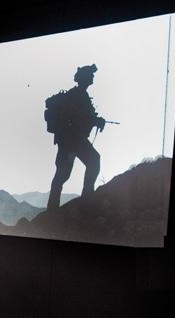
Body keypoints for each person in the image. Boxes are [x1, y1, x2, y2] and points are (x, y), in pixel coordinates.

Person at [46, 64, 106, 211]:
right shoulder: (77, 94)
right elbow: (78, 117)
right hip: (71, 140)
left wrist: (94, 120)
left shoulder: (79, 94)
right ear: (84, 78)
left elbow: (83, 117)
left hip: (70, 140)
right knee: (88, 163)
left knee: (63, 174)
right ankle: (85, 198)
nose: (92, 77)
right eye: (90, 75)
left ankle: (53, 209)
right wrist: (95, 121)